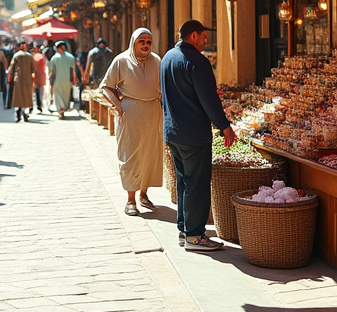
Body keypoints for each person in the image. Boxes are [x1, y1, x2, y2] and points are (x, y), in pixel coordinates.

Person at [161, 19, 236, 252]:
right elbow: (209, 98)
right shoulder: (197, 61)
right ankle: (195, 236)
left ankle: (185, 230)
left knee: (185, 182)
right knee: (197, 184)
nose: (205, 41)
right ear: (193, 36)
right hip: (193, 134)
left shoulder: (167, 58)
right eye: (203, 37)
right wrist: (225, 125)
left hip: (173, 132)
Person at [100, 28, 164, 216]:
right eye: (141, 41)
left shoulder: (157, 61)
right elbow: (106, 87)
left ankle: (144, 194)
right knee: (131, 156)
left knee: (150, 154)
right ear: (133, 42)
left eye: (149, 42)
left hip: (152, 112)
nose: (145, 45)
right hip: (130, 114)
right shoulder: (121, 61)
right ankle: (130, 199)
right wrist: (118, 106)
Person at [7, 40, 35, 121]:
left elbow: (11, 67)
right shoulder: (29, 56)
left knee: (19, 97)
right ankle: (25, 112)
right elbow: (33, 68)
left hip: (18, 78)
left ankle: (18, 113)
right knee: (26, 97)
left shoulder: (16, 55)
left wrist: (10, 77)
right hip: (28, 79)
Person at [48, 40, 77, 119]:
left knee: (58, 96)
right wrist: (74, 80)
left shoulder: (54, 58)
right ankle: (63, 109)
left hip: (58, 81)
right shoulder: (71, 57)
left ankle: (61, 110)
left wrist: (50, 80)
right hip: (67, 81)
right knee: (65, 96)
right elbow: (73, 70)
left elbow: (51, 71)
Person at [31, 43, 48, 113]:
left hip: (34, 75)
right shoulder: (42, 56)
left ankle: (32, 106)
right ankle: (39, 105)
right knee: (40, 92)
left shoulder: (35, 56)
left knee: (33, 92)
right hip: (40, 75)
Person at [2, 41, 15, 108]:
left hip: (7, 72)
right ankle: (9, 104)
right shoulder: (13, 54)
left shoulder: (3, 52)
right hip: (11, 72)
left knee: (7, 89)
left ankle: (7, 104)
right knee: (10, 89)